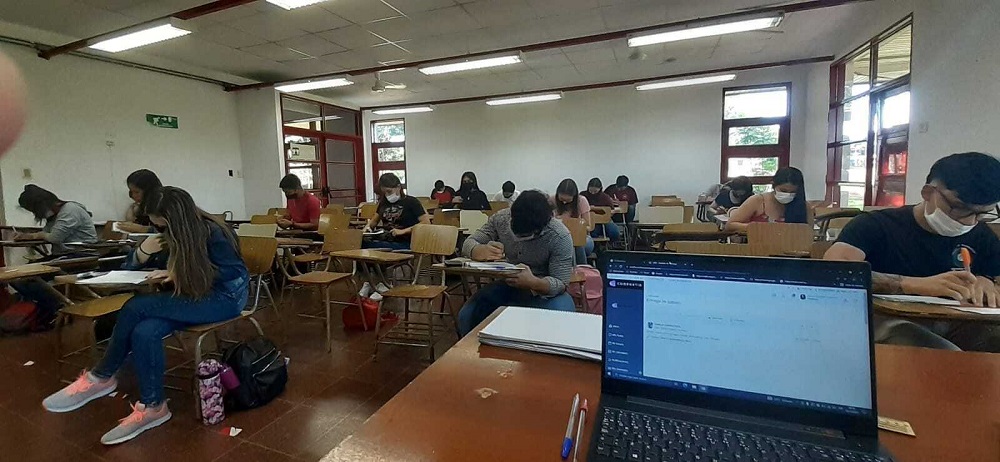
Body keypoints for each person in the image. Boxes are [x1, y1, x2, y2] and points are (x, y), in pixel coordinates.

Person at [41, 186, 249, 445]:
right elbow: (130, 264)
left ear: (174, 218)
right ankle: (154, 406)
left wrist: (180, 274)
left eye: (160, 224)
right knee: (144, 331)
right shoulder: (171, 231)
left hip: (225, 299)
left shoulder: (213, 231)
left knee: (135, 307)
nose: (157, 228)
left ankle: (101, 376)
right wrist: (142, 253)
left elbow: (234, 271)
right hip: (192, 295)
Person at [825, 152, 1000, 352]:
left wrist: (988, 283)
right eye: (959, 208)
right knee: (930, 347)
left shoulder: (982, 235)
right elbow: (831, 273)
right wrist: (912, 284)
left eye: (982, 213)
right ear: (928, 193)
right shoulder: (875, 225)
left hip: (956, 322)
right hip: (885, 321)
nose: (970, 221)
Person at [457, 190, 576, 335]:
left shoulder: (559, 236)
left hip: (543, 291)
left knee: (563, 316)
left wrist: (534, 283)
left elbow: (561, 283)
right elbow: (469, 242)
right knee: (467, 316)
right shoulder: (501, 218)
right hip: (508, 285)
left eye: (526, 236)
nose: (519, 239)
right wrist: (477, 250)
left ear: (544, 226)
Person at [9, 185, 99, 326]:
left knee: (29, 277)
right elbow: (46, 234)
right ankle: (52, 307)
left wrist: (36, 235)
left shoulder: (70, 210)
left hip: (80, 256)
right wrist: (25, 236)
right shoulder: (55, 216)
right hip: (65, 255)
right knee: (16, 277)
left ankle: (57, 308)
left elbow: (55, 237)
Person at [725, 167, 808, 232]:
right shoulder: (757, 201)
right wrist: (758, 228)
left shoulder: (803, 206)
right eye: (783, 190)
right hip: (758, 246)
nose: (788, 194)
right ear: (773, 185)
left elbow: (808, 233)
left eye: (793, 192)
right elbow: (730, 225)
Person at [363, 172, 430, 250]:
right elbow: (373, 221)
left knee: (369, 246)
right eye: (384, 193)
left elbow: (426, 223)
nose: (387, 195)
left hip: (406, 242)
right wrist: (366, 230)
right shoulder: (383, 203)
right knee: (360, 242)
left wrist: (403, 231)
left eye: (389, 192)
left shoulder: (411, 202)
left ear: (398, 187)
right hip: (388, 240)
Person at [552, 179, 594, 265]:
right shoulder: (552, 200)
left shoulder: (581, 201)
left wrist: (576, 226)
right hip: (559, 238)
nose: (564, 202)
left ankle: (581, 269)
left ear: (574, 197)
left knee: (575, 244)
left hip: (582, 239)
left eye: (568, 200)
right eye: (561, 199)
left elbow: (589, 226)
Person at [118, 169, 163, 234]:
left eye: (137, 192)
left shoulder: (162, 205)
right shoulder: (140, 207)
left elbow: (168, 231)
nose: (133, 195)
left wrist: (143, 229)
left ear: (149, 191)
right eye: (131, 191)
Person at [580, 178, 621, 242]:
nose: (593, 193)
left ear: (600, 189)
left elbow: (611, 210)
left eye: (595, 191)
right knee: (593, 232)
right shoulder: (583, 196)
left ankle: (612, 245)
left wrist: (608, 213)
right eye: (591, 191)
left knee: (614, 232)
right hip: (589, 220)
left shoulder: (605, 197)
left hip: (604, 220)